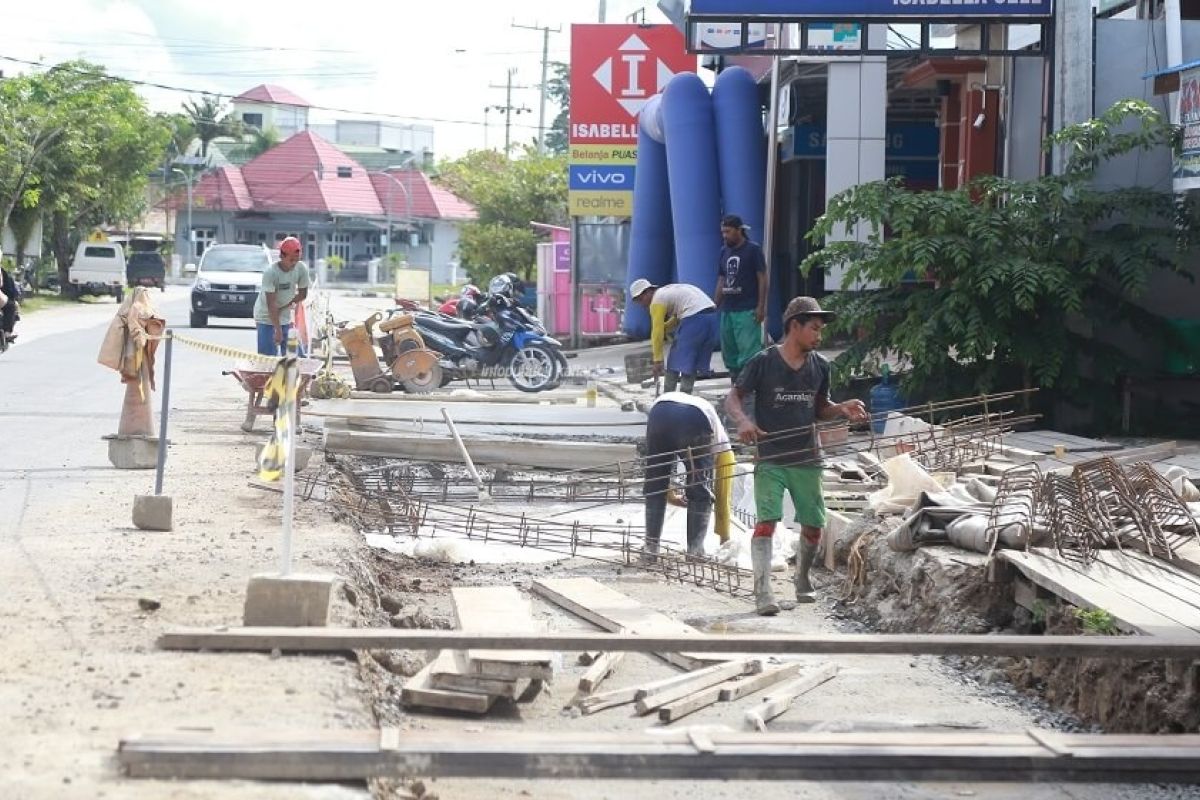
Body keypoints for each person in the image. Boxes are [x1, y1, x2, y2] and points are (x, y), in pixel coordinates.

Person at [724, 296, 868, 616]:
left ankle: (802, 578)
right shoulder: (763, 362)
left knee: (813, 526)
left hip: (806, 457)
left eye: (820, 330)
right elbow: (733, 397)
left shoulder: (820, 367)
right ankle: (763, 591)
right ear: (794, 326)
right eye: (814, 329)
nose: (820, 336)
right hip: (770, 457)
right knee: (766, 523)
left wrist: (841, 409)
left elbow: (820, 409)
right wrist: (744, 421)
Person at [642, 391, 736, 561]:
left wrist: (670, 495)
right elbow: (722, 493)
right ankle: (695, 550)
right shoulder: (724, 450)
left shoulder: (711, 421)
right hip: (695, 419)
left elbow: (662, 473)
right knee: (700, 489)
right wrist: (724, 535)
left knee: (655, 480)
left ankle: (651, 548)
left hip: (659, 412)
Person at [629, 278, 719, 394]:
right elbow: (676, 318)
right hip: (711, 318)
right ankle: (685, 396)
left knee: (675, 361)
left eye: (641, 300)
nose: (642, 305)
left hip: (694, 319)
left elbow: (656, 332)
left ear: (648, 292)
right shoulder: (668, 292)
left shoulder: (656, 300)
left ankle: (668, 396)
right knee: (691, 361)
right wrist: (664, 328)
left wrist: (657, 360)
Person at [714, 214, 767, 384]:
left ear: (739, 230)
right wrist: (714, 304)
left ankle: (749, 390)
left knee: (749, 353)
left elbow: (762, 278)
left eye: (728, 232)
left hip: (747, 309)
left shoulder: (753, 250)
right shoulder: (724, 251)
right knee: (729, 353)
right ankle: (736, 387)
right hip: (728, 310)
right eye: (723, 232)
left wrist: (760, 306)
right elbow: (722, 280)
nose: (725, 236)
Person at [254, 236, 310, 356]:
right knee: (268, 358)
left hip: (284, 317)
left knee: (295, 357)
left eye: (297, 259)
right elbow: (271, 304)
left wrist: (287, 305)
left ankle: (291, 374)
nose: (294, 263)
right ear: (282, 256)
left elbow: (303, 294)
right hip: (266, 317)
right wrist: (277, 330)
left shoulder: (301, 269)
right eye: (291, 260)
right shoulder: (271, 273)